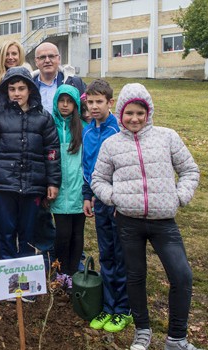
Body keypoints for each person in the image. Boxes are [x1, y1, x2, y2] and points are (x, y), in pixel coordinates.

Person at [92, 83, 201, 350]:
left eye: (140, 112)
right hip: (128, 222)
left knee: (182, 276)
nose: (135, 119)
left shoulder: (167, 137)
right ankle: (142, 330)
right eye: (129, 113)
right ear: (120, 113)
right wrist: (114, 197)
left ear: (148, 112)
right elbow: (98, 180)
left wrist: (180, 196)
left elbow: (189, 170)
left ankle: (177, 338)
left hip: (163, 222)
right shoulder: (111, 144)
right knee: (135, 275)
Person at [0, 66, 61, 302]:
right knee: (5, 232)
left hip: (33, 185)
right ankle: (6, 284)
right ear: (6, 91)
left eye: (21, 88)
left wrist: (53, 181)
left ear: (30, 90)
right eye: (12, 89)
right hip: (4, 185)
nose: (16, 93)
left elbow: (52, 152)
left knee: (27, 233)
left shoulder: (43, 117)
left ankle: (24, 284)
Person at [31, 42, 86, 270]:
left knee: (74, 230)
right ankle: (50, 256)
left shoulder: (71, 82)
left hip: (74, 176)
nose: (47, 60)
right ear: (36, 61)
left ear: (58, 58)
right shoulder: (30, 85)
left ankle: (74, 264)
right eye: (42, 57)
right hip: (43, 155)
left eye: (51, 56)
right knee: (45, 215)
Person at [81, 79, 130, 333]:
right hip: (98, 202)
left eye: (99, 102)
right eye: (91, 102)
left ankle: (123, 309)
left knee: (122, 255)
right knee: (106, 253)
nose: (95, 106)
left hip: (118, 202)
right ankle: (108, 306)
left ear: (110, 103)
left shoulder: (118, 130)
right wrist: (87, 195)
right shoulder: (89, 130)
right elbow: (87, 167)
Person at [49, 85, 85, 279]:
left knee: (77, 234)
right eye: (61, 101)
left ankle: (74, 272)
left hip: (78, 188)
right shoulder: (50, 125)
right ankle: (61, 271)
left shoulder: (82, 128)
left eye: (69, 101)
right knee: (63, 234)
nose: (65, 105)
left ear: (75, 104)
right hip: (59, 188)